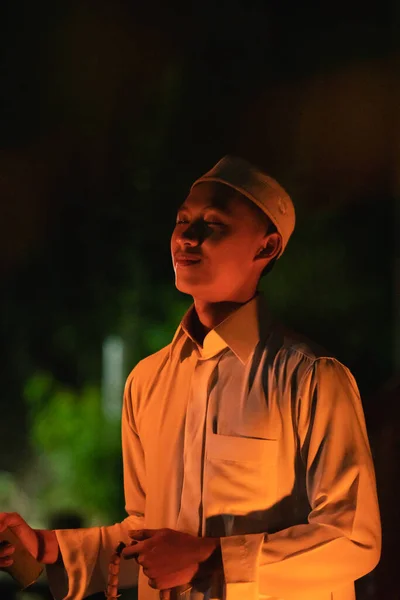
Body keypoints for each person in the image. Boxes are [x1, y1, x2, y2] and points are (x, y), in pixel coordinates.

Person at [0, 156, 381, 600]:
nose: (186, 236)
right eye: (182, 220)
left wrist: (212, 557)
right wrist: (48, 548)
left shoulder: (311, 379)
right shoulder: (147, 381)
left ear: (267, 247)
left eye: (213, 224)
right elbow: (145, 537)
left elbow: (352, 540)